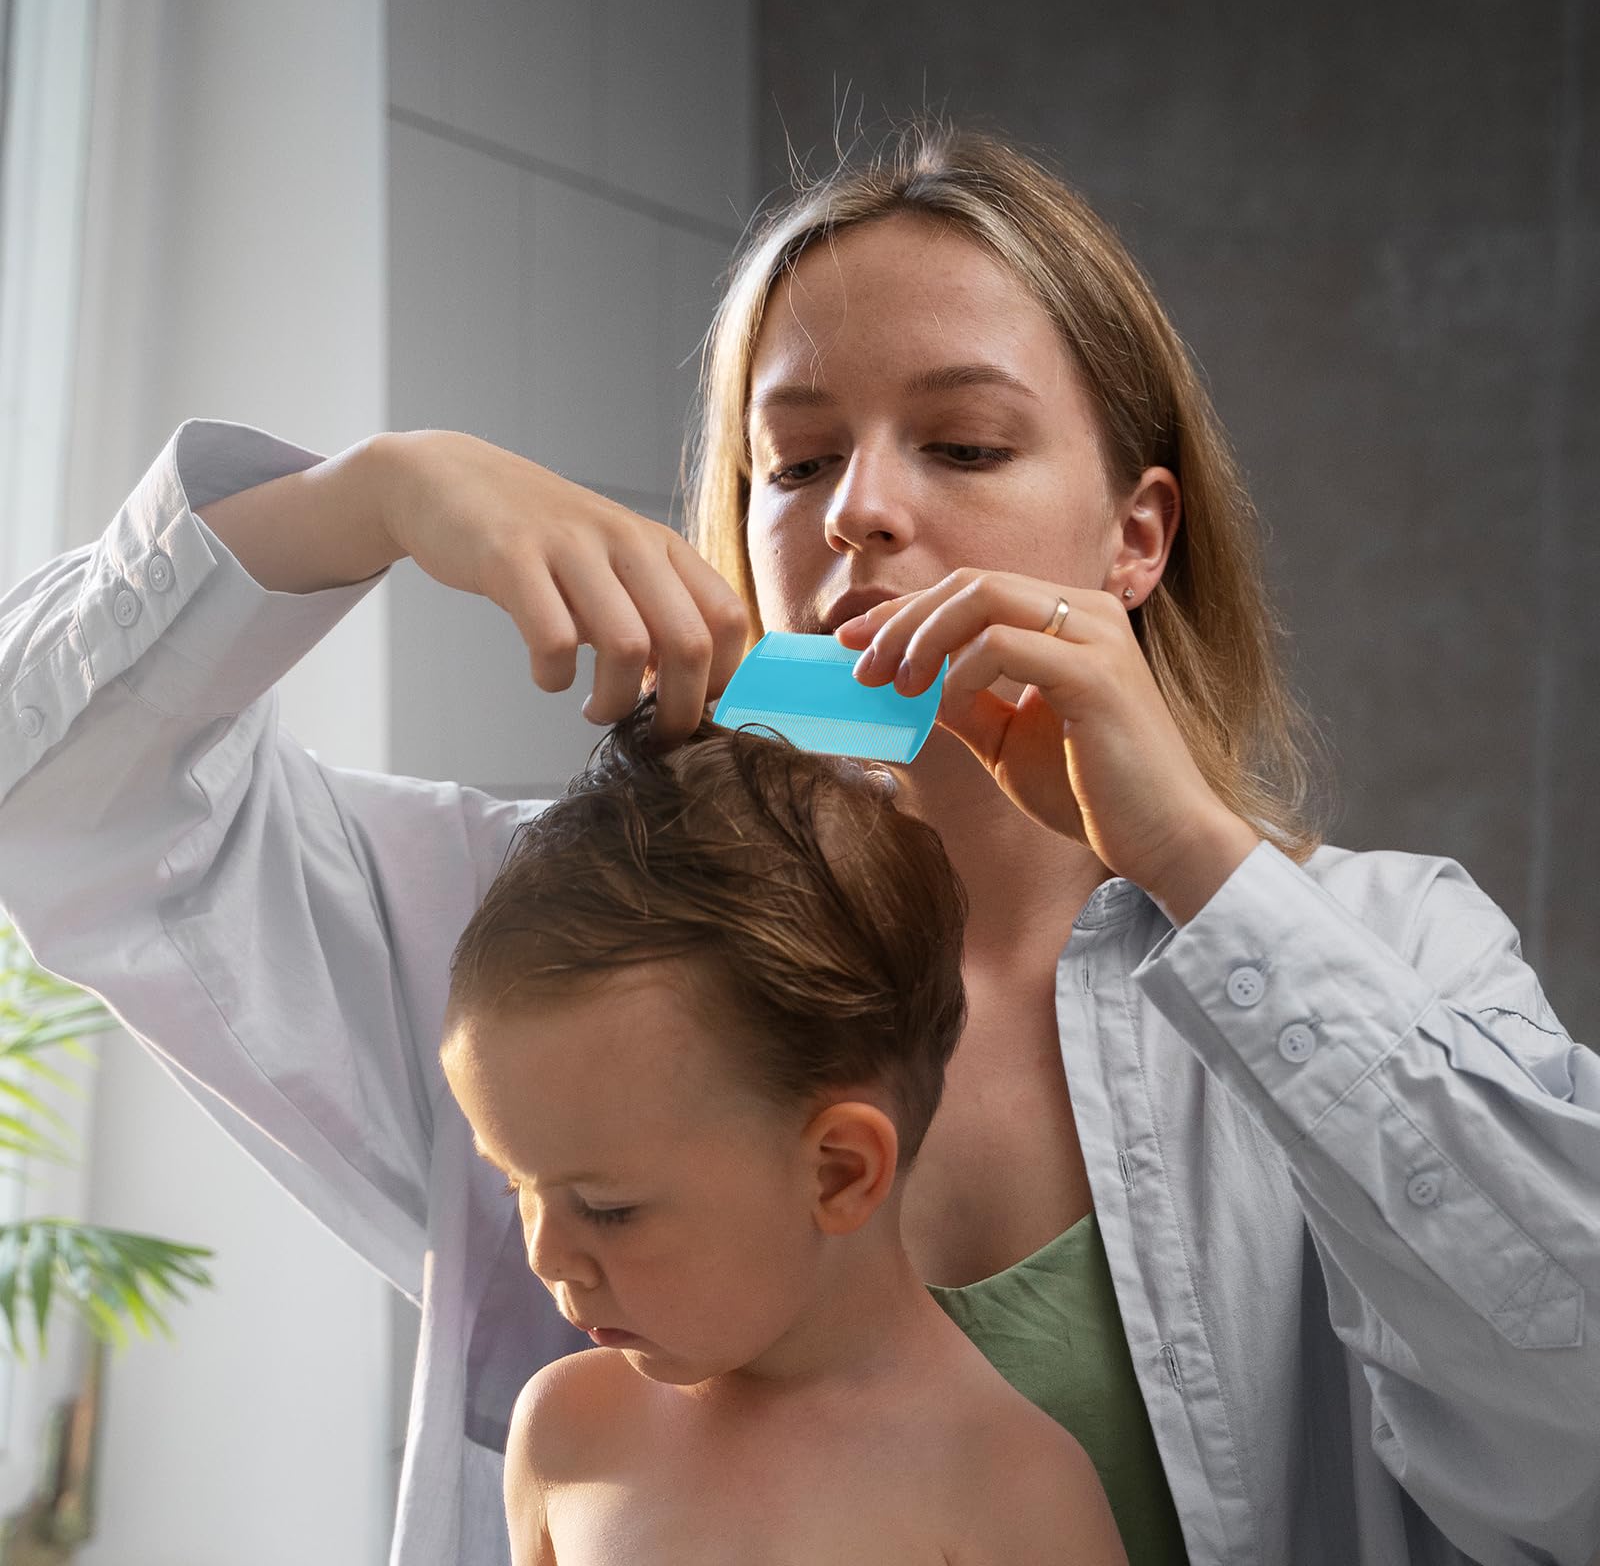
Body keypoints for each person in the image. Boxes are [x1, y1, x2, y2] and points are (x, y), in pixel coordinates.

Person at [0, 116, 1595, 1565]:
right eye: (798, 460)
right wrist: (371, 498)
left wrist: (1195, 859)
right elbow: (52, 794)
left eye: (963, 446)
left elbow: (1575, 1442)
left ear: (1138, 538)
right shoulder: (536, 942)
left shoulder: (1387, 955)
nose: (856, 515)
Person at [439, 696, 1127, 1563]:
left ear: (838, 1173)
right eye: (515, 1184)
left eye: (607, 1208)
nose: (544, 1255)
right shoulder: (567, 1435)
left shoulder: (1008, 1488)